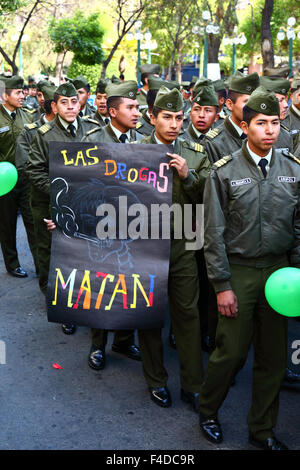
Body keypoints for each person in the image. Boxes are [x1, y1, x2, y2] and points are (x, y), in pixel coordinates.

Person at [198, 87, 300, 450]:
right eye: (261, 123)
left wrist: (297, 273)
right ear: (245, 126)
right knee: (231, 353)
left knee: (273, 358)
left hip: (279, 274)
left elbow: (299, 227)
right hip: (238, 272)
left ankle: (262, 430)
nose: (270, 130)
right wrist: (222, 285)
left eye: (275, 123)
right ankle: (207, 409)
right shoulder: (223, 173)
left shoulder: (292, 169)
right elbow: (213, 232)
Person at [136, 86, 210, 410]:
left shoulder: (195, 152)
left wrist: (188, 175)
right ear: (152, 117)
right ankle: (156, 380)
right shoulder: (134, 152)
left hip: (183, 243)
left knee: (188, 316)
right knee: (149, 318)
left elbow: (209, 201)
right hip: (145, 245)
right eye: (167, 117)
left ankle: (193, 385)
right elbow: (110, 194)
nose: (174, 124)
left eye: (179, 117)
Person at [26, 82, 101, 335]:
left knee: (83, 253)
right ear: (55, 107)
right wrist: (61, 195)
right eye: (64, 103)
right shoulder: (44, 134)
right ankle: (62, 308)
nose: (70, 107)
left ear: (80, 104)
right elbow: (34, 171)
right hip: (50, 204)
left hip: (84, 206)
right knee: (54, 257)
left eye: (74, 102)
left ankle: (84, 302)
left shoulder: (92, 131)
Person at [82, 80, 144, 369]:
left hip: (133, 224)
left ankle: (123, 339)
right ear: (112, 111)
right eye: (130, 108)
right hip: (101, 226)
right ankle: (98, 345)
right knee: (102, 286)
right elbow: (78, 184)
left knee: (130, 282)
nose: (137, 113)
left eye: (138, 107)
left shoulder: (143, 142)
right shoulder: (93, 140)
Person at [0, 75, 38, 278]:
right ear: (5, 96)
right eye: (17, 92)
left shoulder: (28, 117)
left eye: (23, 92)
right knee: (6, 225)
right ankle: (12, 264)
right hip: (4, 182)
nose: (22, 95)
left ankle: (41, 265)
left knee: (33, 223)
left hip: (25, 180)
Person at [204, 71, 260, 164]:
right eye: (247, 102)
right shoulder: (214, 143)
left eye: (256, 101)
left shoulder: (264, 134)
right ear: (230, 104)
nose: (253, 107)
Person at [260, 76, 294, 151]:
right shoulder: (250, 132)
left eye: (284, 99)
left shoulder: (285, 135)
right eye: (280, 100)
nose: (286, 105)